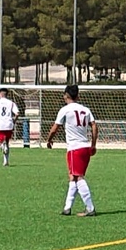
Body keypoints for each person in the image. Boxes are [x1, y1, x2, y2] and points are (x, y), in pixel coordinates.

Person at [47, 85, 98, 217]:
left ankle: (90, 208)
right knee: (73, 177)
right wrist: (93, 144)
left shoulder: (65, 110)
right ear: (78, 96)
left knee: (78, 177)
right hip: (85, 147)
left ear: (66, 95)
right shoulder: (85, 110)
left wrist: (49, 139)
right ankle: (67, 207)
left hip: (74, 148)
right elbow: (94, 125)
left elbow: (54, 128)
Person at [0, 88, 20, 166]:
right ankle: (6, 161)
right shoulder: (11, 103)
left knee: (1, 141)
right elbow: (17, 113)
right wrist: (14, 121)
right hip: (9, 125)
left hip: (0, 125)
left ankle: (2, 145)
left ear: (1, 94)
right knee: (7, 142)